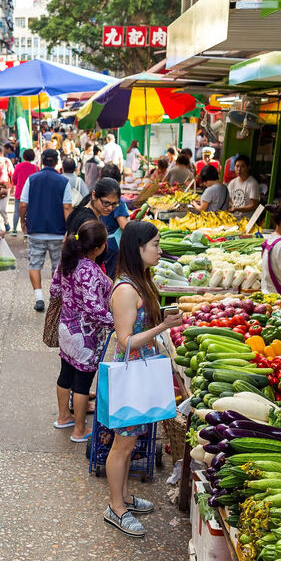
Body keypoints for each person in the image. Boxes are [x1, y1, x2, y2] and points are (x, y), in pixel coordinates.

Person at [104, 221, 182, 537]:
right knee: (122, 445)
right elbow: (125, 341)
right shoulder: (125, 290)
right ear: (139, 248)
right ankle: (115, 507)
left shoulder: (141, 282)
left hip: (141, 372)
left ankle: (123, 497)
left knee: (130, 440)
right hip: (131, 373)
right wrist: (162, 327)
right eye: (156, 244)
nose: (160, 250)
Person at [51, 220, 114, 442]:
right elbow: (93, 310)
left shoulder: (68, 260)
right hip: (85, 337)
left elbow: (54, 289)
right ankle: (79, 430)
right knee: (82, 383)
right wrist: (116, 321)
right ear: (98, 248)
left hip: (66, 328)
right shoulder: (89, 271)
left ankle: (63, 417)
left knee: (66, 373)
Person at [20, 148, 73, 312]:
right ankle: (55, 296)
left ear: (42, 161)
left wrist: (23, 222)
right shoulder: (63, 182)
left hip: (36, 230)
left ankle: (39, 298)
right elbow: (67, 207)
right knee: (58, 266)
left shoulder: (32, 179)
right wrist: (69, 229)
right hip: (58, 231)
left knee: (35, 264)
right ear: (57, 162)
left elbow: (23, 204)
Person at [65, 177, 122, 267]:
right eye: (106, 203)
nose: (110, 208)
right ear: (94, 195)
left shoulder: (81, 210)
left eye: (114, 204)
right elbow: (90, 260)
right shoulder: (89, 222)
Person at [96, 166, 130, 277]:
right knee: (111, 276)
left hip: (103, 241)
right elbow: (123, 225)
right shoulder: (117, 200)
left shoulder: (99, 199)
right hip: (114, 245)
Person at [11, 149, 38, 238]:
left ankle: (14, 230)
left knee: (17, 212)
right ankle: (27, 230)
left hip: (19, 192)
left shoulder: (19, 166)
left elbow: (14, 179)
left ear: (23, 156)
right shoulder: (35, 168)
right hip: (31, 194)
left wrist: (16, 184)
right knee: (29, 212)